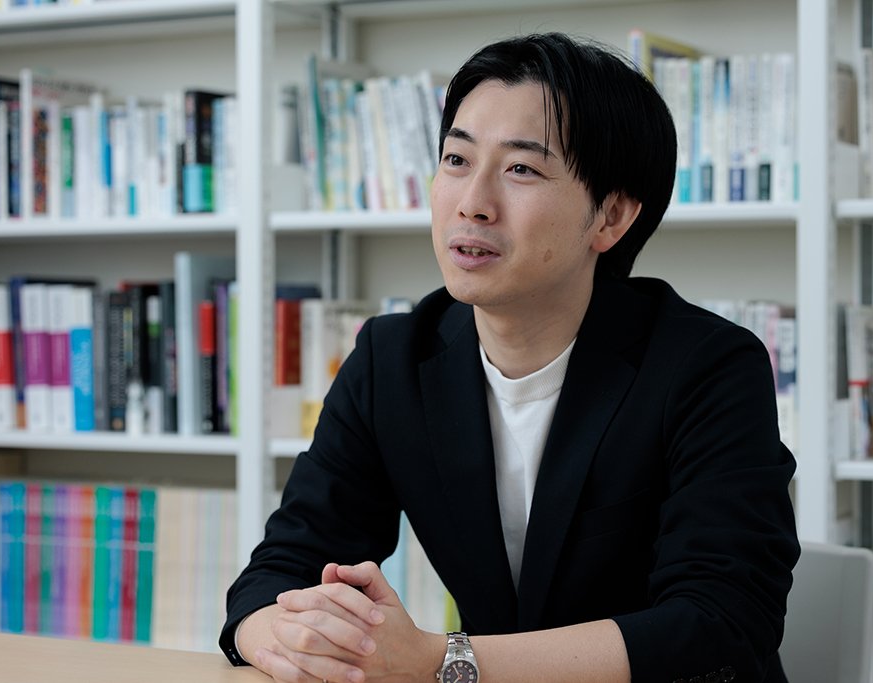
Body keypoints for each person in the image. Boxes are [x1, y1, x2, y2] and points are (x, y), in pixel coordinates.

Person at [221, 32, 799, 683]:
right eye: (457, 159)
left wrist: (442, 661)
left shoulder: (708, 367)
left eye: (521, 169)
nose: (472, 202)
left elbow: (720, 624)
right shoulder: (392, 361)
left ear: (610, 216)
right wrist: (292, 635)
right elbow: (278, 571)